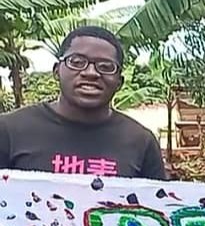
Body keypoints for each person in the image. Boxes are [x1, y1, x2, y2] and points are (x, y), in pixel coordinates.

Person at [0, 26, 167, 180]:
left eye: (106, 66)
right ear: (57, 71)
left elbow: (155, 206)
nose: (90, 73)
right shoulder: (8, 130)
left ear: (119, 82)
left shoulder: (141, 142)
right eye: (77, 62)